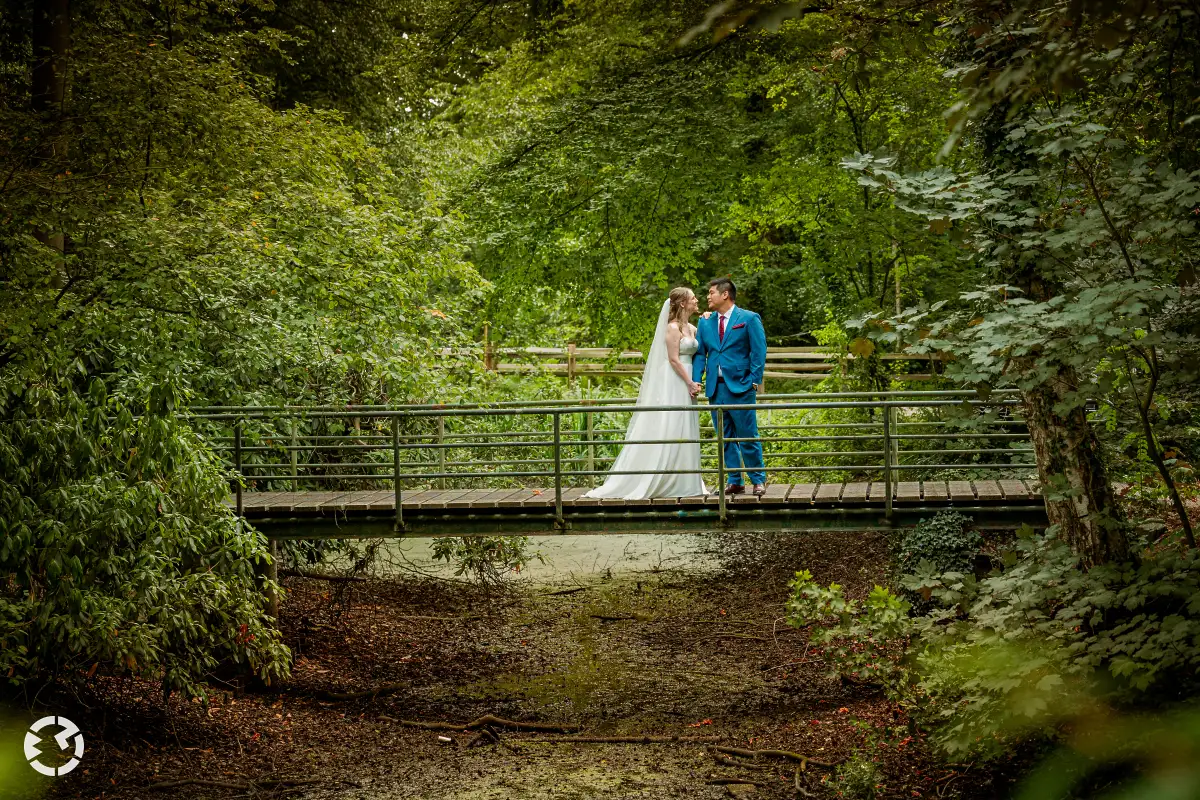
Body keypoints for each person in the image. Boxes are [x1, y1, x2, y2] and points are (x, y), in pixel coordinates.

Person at [583, 287, 709, 499]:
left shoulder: (692, 328)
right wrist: (689, 382)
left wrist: (707, 318)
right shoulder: (672, 328)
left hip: (688, 379)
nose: (697, 300)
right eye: (693, 298)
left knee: (685, 425)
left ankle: (685, 479)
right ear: (682, 303)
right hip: (676, 379)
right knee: (671, 423)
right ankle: (661, 476)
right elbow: (673, 359)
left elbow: (702, 343)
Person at [691, 277, 767, 496]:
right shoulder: (705, 322)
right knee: (724, 438)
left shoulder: (749, 318)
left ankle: (758, 480)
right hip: (716, 388)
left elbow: (758, 351)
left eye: (711, 292)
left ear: (725, 294)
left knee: (747, 436)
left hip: (741, 387)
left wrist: (754, 380)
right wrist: (698, 378)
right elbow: (700, 354)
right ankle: (735, 481)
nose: (708, 296)